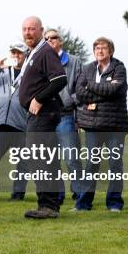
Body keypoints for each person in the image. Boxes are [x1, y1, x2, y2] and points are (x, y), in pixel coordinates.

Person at [18, 16, 68, 219]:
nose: (28, 32)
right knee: (43, 159)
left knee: (42, 160)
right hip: (37, 115)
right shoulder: (34, 53)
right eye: (24, 29)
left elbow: (60, 79)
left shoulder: (45, 51)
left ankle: (48, 206)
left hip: (43, 113)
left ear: (41, 30)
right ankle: (48, 205)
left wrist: (38, 98)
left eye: (32, 29)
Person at [74, 37, 128, 212]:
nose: (100, 51)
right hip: (92, 125)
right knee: (91, 165)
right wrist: (102, 89)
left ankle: (114, 203)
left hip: (115, 126)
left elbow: (115, 90)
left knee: (115, 165)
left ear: (110, 51)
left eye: (103, 48)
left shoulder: (119, 68)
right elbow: (80, 93)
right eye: (97, 48)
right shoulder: (88, 68)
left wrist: (92, 87)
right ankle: (83, 204)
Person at [0, 41, 29, 199]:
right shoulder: (1, 73)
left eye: (19, 53)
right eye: (14, 53)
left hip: (20, 123)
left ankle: (18, 193)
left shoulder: (29, 74)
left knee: (23, 161)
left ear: (25, 55)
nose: (16, 56)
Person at [45, 28, 83, 204]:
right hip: (47, 116)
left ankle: (79, 193)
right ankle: (57, 194)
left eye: (53, 38)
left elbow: (82, 89)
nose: (50, 40)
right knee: (51, 160)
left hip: (66, 115)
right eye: (46, 38)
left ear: (61, 41)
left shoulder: (74, 61)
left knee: (71, 158)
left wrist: (67, 101)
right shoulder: (41, 60)